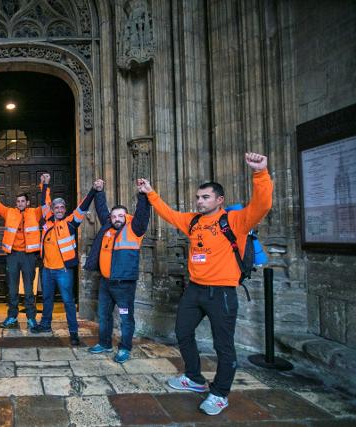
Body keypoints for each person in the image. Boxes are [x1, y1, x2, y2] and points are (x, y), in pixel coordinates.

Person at [145, 153, 273, 415]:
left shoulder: (234, 222)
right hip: (195, 290)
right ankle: (193, 378)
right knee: (182, 331)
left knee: (223, 345)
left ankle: (220, 393)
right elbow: (169, 214)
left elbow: (261, 205)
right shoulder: (192, 221)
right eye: (198, 197)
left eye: (205, 197)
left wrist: (260, 174)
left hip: (222, 292)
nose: (200, 201)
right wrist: (150, 193)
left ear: (219, 200)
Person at [84, 178, 151, 363]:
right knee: (104, 315)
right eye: (114, 216)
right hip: (106, 282)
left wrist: (143, 195)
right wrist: (99, 191)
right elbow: (102, 209)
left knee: (125, 318)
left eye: (120, 216)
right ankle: (105, 343)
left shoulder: (134, 229)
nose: (116, 219)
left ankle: (124, 348)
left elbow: (143, 214)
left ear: (126, 216)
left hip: (124, 285)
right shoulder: (107, 227)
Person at [30, 174, 97, 346]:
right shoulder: (48, 220)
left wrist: (93, 190)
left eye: (61, 207)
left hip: (63, 271)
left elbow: (82, 207)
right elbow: (45, 200)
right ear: (52, 209)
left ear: (65, 209)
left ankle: (73, 333)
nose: (58, 209)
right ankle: (45, 324)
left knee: (67, 301)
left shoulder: (70, 223)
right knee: (47, 298)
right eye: (56, 207)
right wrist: (46, 184)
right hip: (47, 270)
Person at [0, 175, 49, 330]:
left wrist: (44, 185)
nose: (20, 203)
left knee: (28, 289)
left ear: (27, 202)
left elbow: (46, 204)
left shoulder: (35, 212)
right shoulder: (9, 212)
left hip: (28, 256)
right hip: (12, 255)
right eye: (18, 201)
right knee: (12, 289)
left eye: (22, 201)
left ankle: (31, 318)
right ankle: (12, 316)